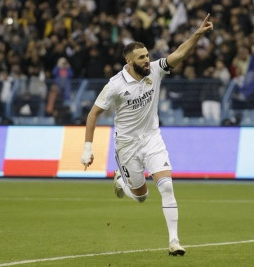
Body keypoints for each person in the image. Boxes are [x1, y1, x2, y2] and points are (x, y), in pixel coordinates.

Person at [81, 14, 213, 256]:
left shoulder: (155, 71)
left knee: (167, 186)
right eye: (141, 57)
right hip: (127, 145)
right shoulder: (115, 86)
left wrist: (197, 34)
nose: (146, 60)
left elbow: (179, 54)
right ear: (129, 61)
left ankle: (174, 241)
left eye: (147, 56)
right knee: (141, 197)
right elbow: (93, 114)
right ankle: (122, 180)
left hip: (152, 139)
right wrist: (88, 148)